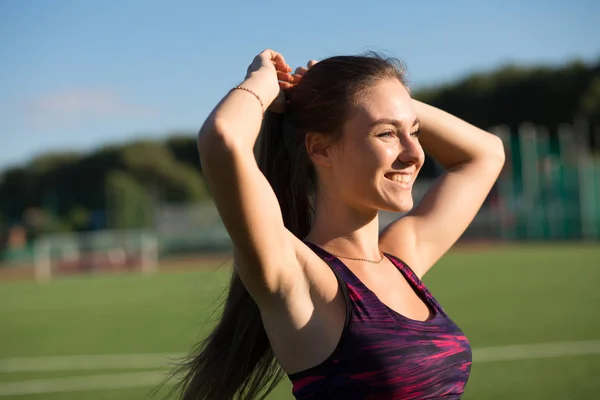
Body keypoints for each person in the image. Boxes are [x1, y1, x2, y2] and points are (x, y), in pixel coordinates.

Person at [176, 49, 505, 400]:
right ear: (321, 149)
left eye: (416, 132)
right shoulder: (296, 276)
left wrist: (373, 96)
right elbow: (223, 137)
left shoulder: (402, 260)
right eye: (387, 135)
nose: (415, 154)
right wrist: (263, 83)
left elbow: (487, 153)